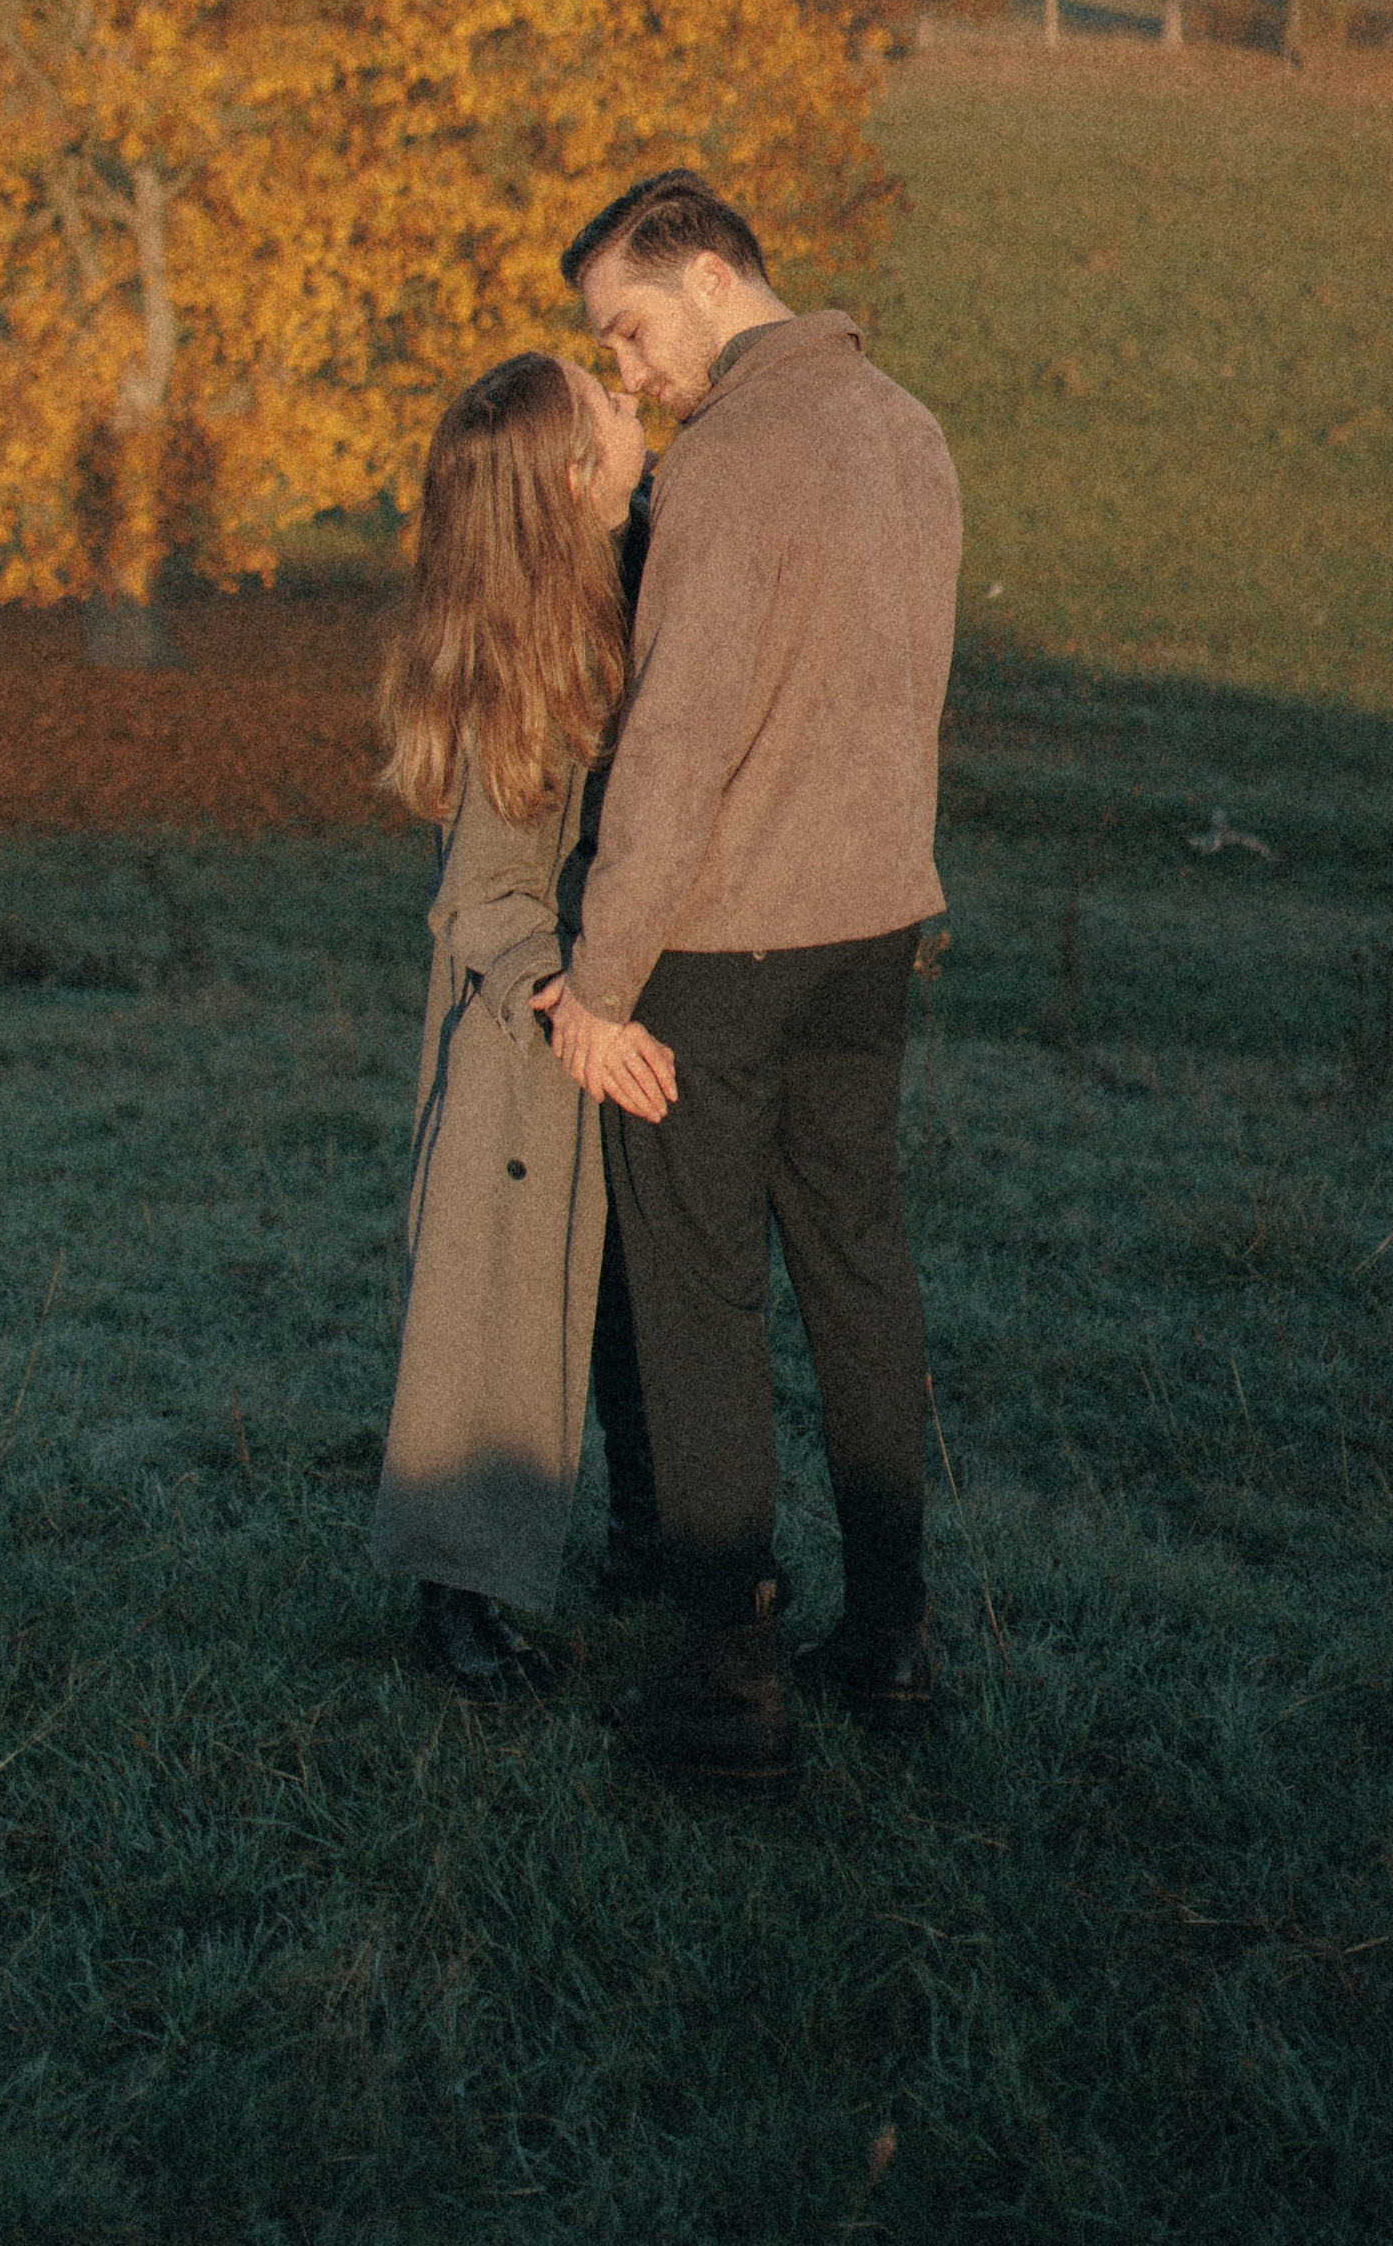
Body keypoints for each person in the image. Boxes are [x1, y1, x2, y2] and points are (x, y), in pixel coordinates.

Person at [539, 169, 963, 1794]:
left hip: (715, 952)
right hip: (873, 938)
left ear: (714, 274)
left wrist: (596, 983)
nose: (630, 375)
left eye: (630, 333)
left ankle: (728, 1683)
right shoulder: (910, 433)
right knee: (860, 1268)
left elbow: (672, 760)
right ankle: (893, 1640)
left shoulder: (723, 471)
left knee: (700, 1300)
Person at [368, 350, 674, 1701]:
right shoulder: (526, 662)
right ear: (569, 472)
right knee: (497, 1322)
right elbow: (485, 892)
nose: (636, 407)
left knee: (622, 1313)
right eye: (608, 408)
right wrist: (573, 1006)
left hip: (605, 1025)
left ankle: (646, 1552)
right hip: (530, 1052)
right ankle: (461, 1608)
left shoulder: (629, 572)